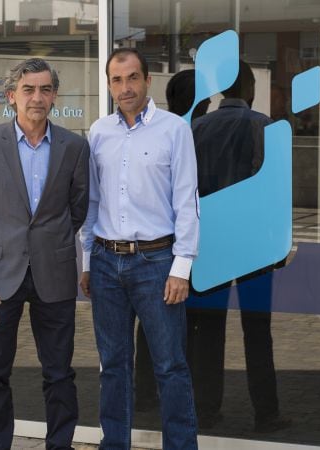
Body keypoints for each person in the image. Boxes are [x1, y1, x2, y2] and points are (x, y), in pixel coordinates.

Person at [0, 57, 90, 450]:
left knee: (59, 373)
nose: (37, 97)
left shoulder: (74, 146)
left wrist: (55, 243)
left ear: (54, 96)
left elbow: (77, 209)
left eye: (45, 89)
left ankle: (59, 445)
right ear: (11, 96)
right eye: (28, 89)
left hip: (55, 273)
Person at [80, 48, 200, 450]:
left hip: (156, 262)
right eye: (117, 80)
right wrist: (86, 261)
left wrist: (181, 267)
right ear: (110, 85)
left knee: (170, 366)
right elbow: (92, 203)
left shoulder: (174, 129)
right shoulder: (98, 133)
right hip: (105, 261)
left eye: (132, 78)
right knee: (113, 367)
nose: (125, 87)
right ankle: (114, 444)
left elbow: (187, 200)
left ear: (149, 81)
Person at [190, 60, 291, 433]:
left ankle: (205, 410)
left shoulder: (196, 128)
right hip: (253, 246)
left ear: (219, 91)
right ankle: (266, 413)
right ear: (250, 89)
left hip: (210, 245)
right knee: (257, 330)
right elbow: (274, 190)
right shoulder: (263, 126)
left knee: (208, 331)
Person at [134, 69, 209, 413]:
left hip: (177, 255)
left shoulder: (180, 131)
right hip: (168, 255)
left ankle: (148, 395)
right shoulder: (176, 134)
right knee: (186, 334)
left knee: (156, 334)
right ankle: (202, 403)